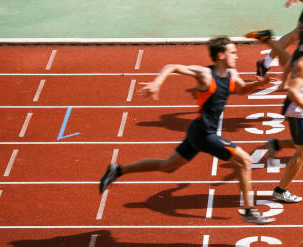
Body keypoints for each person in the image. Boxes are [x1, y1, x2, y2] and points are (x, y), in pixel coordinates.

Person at [99, 36, 274, 224]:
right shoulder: (205, 74)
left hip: (197, 131)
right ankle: (249, 210)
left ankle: (117, 170)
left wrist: (259, 85)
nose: (236, 56)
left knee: (167, 166)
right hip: (205, 134)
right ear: (221, 55)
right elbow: (172, 66)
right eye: (232, 52)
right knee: (245, 161)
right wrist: (157, 83)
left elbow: (240, 90)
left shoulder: (232, 74)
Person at [248, 20, 303, 204]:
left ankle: (276, 143)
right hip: (298, 113)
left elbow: (287, 60)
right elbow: (293, 91)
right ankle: (280, 190)